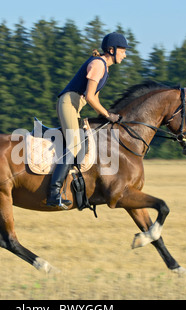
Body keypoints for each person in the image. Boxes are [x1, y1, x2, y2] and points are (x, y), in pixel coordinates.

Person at [46, 32, 131, 209]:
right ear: (111, 50)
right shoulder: (98, 65)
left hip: (75, 105)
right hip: (69, 103)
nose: (125, 54)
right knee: (74, 145)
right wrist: (108, 115)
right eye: (122, 50)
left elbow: (95, 99)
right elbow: (91, 98)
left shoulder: (104, 68)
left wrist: (106, 115)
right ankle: (54, 193)